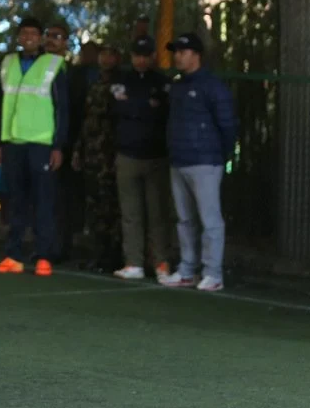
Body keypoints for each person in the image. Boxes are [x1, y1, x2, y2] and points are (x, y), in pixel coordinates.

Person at [0, 17, 71, 277]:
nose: (28, 38)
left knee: (43, 200)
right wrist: (0, 142)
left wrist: (58, 145)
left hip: (42, 143)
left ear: (41, 38)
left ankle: (44, 256)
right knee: (16, 200)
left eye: (33, 34)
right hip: (12, 141)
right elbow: (0, 103)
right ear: (17, 37)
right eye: (23, 33)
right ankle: (13, 255)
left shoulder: (55, 64)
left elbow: (63, 109)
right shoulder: (7, 63)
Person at [159, 33, 238, 292]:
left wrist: (220, 156)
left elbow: (227, 125)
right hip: (179, 160)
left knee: (209, 219)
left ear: (196, 55)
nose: (178, 56)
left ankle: (213, 273)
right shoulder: (178, 85)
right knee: (184, 219)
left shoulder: (213, 87)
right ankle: (187, 270)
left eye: (183, 51)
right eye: (176, 52)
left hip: (205, 162)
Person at [112, 36, 173, 281]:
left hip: (156, 155)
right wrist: (147, 106)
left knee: (157, 213)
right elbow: (117, 108)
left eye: (145, 55)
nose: (141, 59)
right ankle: (133, 262)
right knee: (130, 213)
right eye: (137, 55)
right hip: (127, 154)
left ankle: (160, 262)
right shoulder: (121, 80)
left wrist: (134, 107)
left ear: (153, 57)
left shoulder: (162, 82)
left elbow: (164, 111)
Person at [71, 43, 123, 272]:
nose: (105, 58)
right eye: (103, 54)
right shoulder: (94, 83)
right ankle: (98, 254)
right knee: (94, 207)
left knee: (111, 208)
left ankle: (114, 256)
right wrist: (78, 150)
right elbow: (86, 120)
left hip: (110, 154)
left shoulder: (122, 84)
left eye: (109, 54)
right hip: (91, 154)